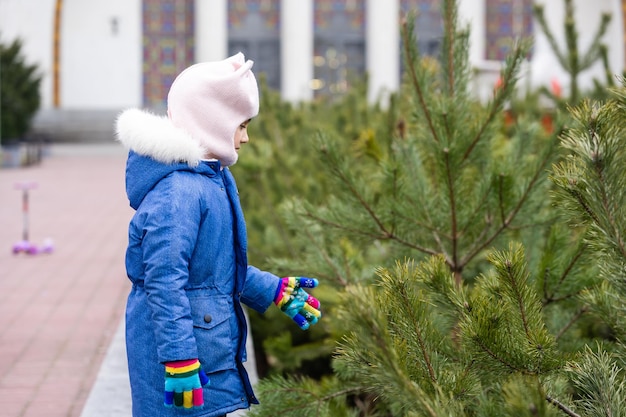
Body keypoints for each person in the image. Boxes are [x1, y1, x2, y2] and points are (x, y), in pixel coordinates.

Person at [115, 52, 321, 417]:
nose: (245, 137)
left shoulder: (211, 180)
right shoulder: (177, 193)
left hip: (204, 357)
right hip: (182, 365)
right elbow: (164, 281)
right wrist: (179, 358)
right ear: (212, 122)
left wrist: (270, 289)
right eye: (241, 125)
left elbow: (214, 271)